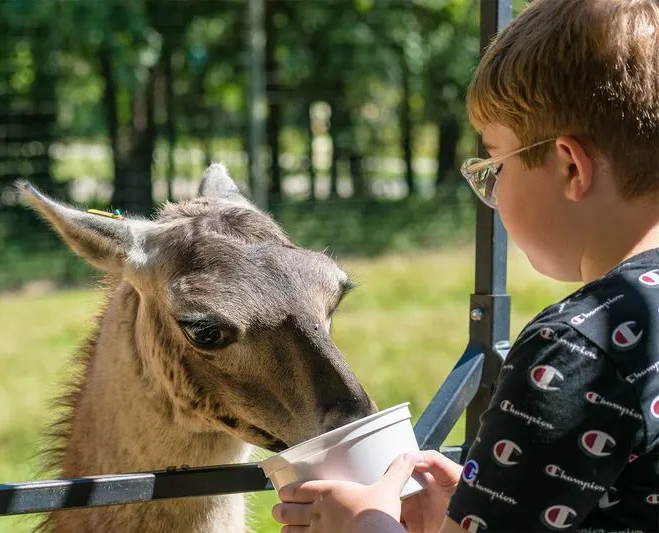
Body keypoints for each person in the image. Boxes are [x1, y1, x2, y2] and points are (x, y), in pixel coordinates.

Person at [271, 0, 659, 531]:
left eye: (493, 163)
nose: (490, 190)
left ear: (571, 166)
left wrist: (365, 523)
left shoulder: (575, 350)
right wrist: (482, 508)